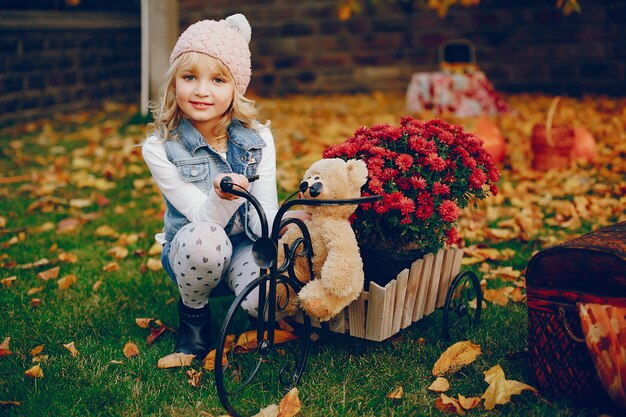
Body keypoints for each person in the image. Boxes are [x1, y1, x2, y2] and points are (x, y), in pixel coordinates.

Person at [142, 14, 305, 361]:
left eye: (218, 79)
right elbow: (202, 216)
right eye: (189, 77)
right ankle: (195, 317)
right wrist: (223, 194)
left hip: (245, 245)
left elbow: (265, 213)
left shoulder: (258, 139)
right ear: (174, 83)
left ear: (236, 87)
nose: (201, 90)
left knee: (271, 297)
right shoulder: (161, 147)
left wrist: (286, 225)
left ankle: (254, 311)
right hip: (194, 249)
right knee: (207, 242)